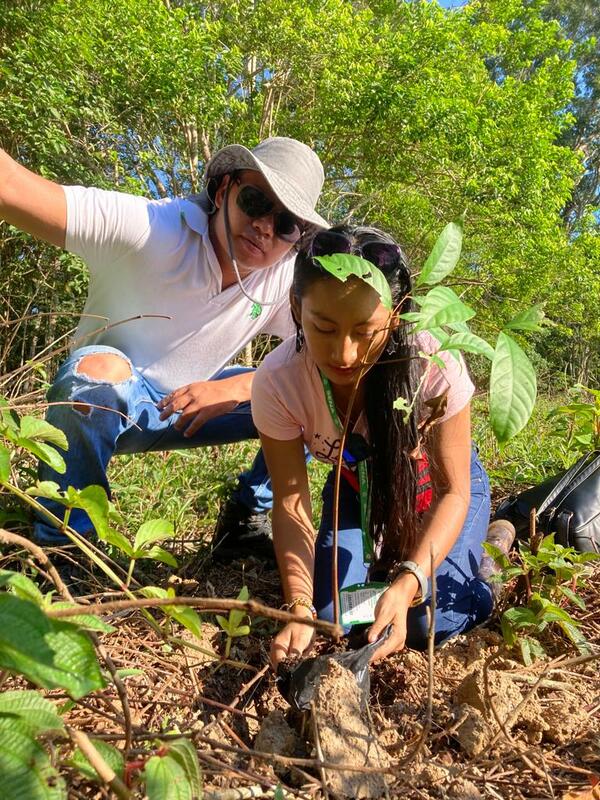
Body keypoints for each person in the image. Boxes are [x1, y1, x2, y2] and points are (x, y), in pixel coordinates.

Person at [0, 137, 327, 555]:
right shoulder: (150, 228)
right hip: (108, 403)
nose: (265, 226)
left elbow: (322, 359)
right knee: (96, 376)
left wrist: (237, 388)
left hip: (192, 405)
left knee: (317, 390)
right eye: (256, 200)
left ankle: (247, 518)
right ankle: (67, 544)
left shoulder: (283, 279)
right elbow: (11, 186)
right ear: (224, 189)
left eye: (286, 224)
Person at [251, 225, 510, 666]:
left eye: (364, 331)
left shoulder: (432, 362)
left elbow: (454, 491)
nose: (345, 354)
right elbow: (291, 502)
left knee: (429, 619)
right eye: (324, 328)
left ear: (396, 315)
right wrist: (298, 606)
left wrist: (408, 582)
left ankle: (494, 549)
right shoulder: (278, 382)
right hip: (356, 486)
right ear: (297, 308)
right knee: (334, 613)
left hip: (438, 490)